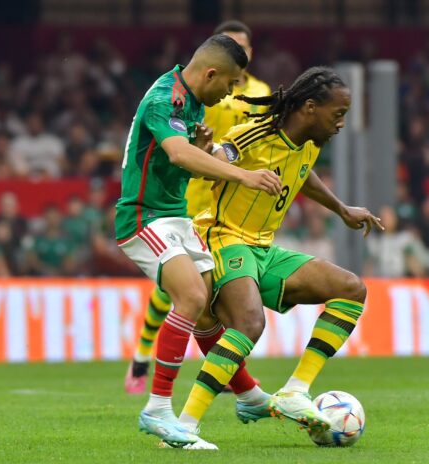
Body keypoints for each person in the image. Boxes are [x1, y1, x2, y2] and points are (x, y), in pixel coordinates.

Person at [159, 66, 383, 449]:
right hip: (223, 237)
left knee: (351, 288)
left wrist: (341, 208)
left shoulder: (311, 141)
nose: (341, 122)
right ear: (310, 107)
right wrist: (203, 148)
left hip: (263, 247)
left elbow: (303, 171)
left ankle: (295, 391)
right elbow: (217, 156)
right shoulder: (255, 133)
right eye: (338, 113)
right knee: (248, 323)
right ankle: (183, 428)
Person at [115, 34, 281, 450]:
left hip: (174, 215)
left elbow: (187, 159)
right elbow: (177, 156)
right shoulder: (164, 99)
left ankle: (247, 394)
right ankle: (157, 409)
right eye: (230, 83)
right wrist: (243, 175)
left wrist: (203, 148)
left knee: (206, 310)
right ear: (211, 73)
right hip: (142, 215)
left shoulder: (193, 102)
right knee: (190, 297)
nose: (230, 92)